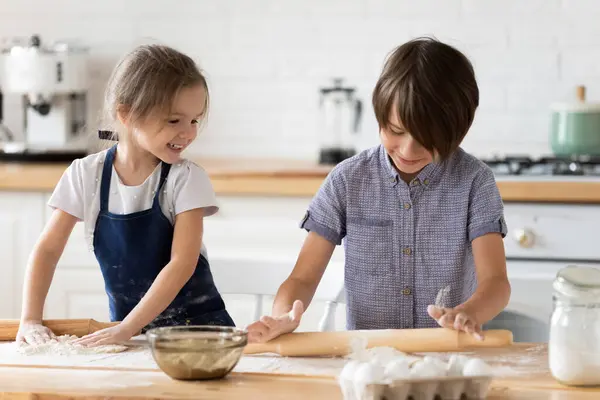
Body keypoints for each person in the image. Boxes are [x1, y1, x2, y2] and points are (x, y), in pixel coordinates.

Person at [246, 37, 510, 343]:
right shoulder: (347, 180)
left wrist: (471, 312)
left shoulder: (475, 182)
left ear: (457, 131)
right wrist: (282, 316)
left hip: (447, 355)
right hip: (367, 357)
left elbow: (496, 282)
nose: (409, 149)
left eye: (427, 139)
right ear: (379, 115)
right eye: (396, 131)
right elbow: (302, 278)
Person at [16, 44, 234, 347]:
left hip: (198, 336)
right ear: (127, 113)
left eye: (195, 120)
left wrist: (127, 328)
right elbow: (47, 251)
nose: (189, 132)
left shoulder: (186, 179)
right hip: (133, 339)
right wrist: (30, 320)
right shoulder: (85, 176)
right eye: (174, 120)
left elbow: (181, 264)